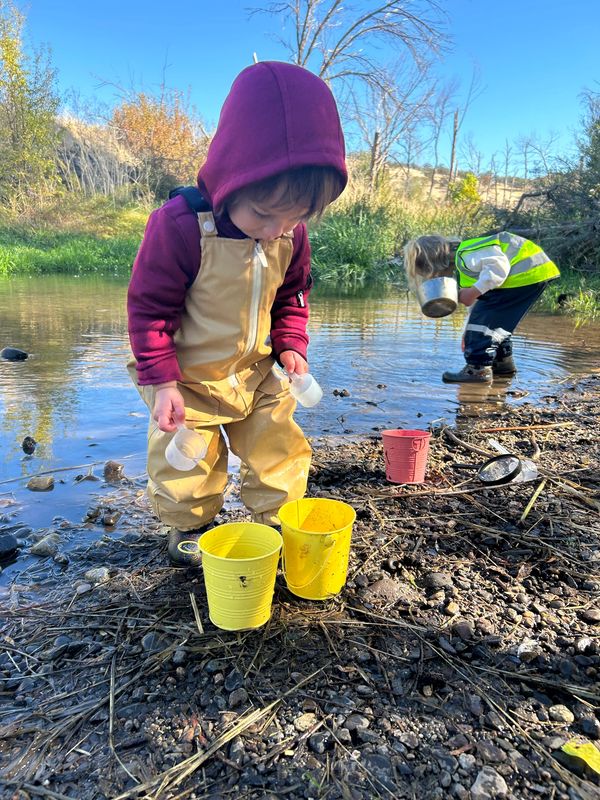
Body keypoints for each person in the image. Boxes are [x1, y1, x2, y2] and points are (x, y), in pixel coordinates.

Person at [127, 61, 347, 565]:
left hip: (256, 370)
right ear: (231, 179)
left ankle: (279, 519)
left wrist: (292, 345)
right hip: (188, 377)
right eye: (264, 214)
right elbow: (149, 310)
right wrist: (162, 382)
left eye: (295, 217)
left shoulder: (291, 234)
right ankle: (191, 525)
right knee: (187, 460)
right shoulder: (181, 226)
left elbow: (292, 296)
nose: (277, 229)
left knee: (279, 446)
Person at [403, 231, 560, 383]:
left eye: (434, 275)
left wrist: (472, 293)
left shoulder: (466, 254)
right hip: (530, 275)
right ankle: (503, 365)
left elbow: (499, 267)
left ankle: (477, 370)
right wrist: (468, 332)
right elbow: (480, 305)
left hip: (525, 273)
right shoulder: (465, 261)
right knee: (493, 324)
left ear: (434, 263)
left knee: (483, 325)